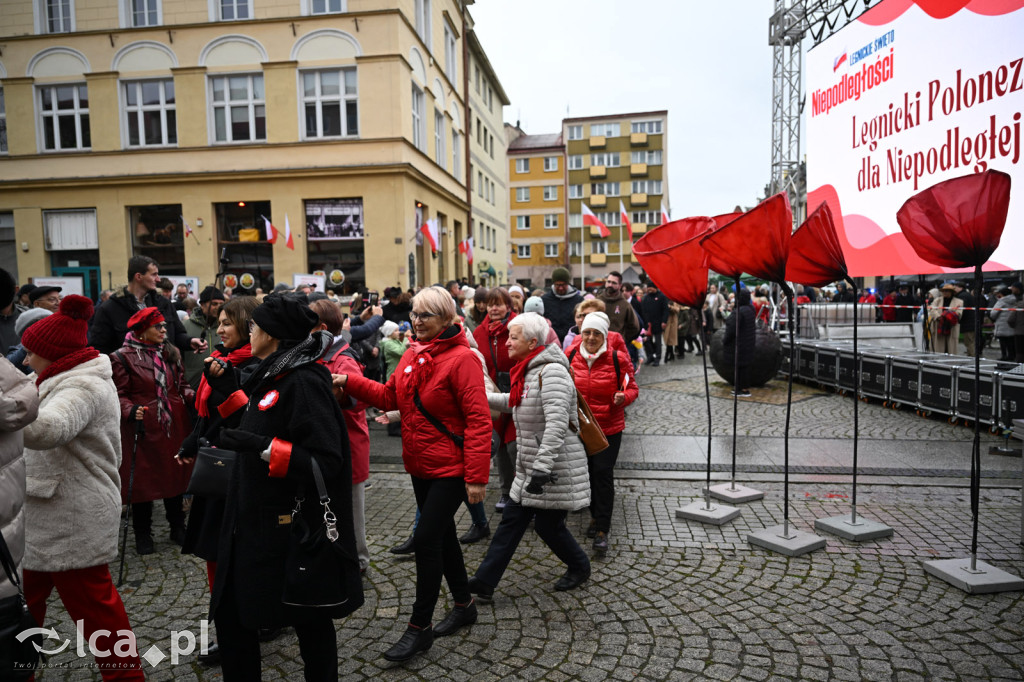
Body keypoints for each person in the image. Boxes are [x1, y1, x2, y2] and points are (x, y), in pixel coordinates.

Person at [206, 293, 362, 679]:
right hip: (253, 520)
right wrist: (225, 390)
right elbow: (259, 418)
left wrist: (262, 447)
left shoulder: (304, 380)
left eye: (254, 327)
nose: (249, 332)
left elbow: (326, 461)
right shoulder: (272, 372)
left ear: (272, 335)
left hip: (287, 528)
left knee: (309, 618)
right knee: (235, 614)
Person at [333, 286, 491, 662]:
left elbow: (479, 420)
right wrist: (349, 381)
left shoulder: (463, 359)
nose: (416, 321)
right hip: (421, 464)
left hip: (452, 467)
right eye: (414, 314)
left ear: (447, 319)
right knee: (443, 535)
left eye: (425, 315)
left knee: (426, 540)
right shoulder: (412, 352)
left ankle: (419, 628)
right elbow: (390, 397)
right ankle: (464, 605)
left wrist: (476, 477)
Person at [20, 296, 145, 679]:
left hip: (72, 519)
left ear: (52, 353)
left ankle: (126, 677)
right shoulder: (55, 377)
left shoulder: (83, 385)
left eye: (31, 352)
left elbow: (47, 429)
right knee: (20, 608)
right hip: (44, 517)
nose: (25, 360)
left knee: (97, 614)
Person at [467, 312, 592, 602]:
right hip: (531, 466)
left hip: (550, 467)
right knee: (513, 521)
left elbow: (557, 424)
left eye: (514, 337)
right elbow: (514, 402)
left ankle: (580, 565)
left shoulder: (552, 373)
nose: (507, 343)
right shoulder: (529, 369)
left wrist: (541, 468)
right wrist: (478, 394)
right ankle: (485, 582)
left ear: (533, 342)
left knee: (548, 526)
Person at [175, 295, 259, 665]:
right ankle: (235, 629)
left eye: (227, 323)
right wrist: (193, 440)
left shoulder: (252, 365)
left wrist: (224, 385)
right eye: (219, 322)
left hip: (235, 473)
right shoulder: (222, 361)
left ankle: (236, 635)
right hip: (215, 470)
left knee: (229, 558)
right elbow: (209, 415)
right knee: (216, 555)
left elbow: (244, 419)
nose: (220, 329)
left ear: (247, 325)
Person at [111, 307, 196, 555]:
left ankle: (178, 527)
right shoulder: (121, 357)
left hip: (173, 423)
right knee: (144, 482)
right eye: (157, 326)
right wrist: (130, 409)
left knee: (175, 476)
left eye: (164, 325)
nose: (163, 330)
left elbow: (180, 385)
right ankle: (143, 534)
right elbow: (119, 393)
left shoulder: (171, 352)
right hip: (143, 425)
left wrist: (195, 396)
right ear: (141, 330)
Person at [311, 299, 372, 576]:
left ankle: (358, 562)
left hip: (348, 446)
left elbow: (360, 399)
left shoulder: (343, 359)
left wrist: (338, 393)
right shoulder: (322, 352)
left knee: (352, 511)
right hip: (331, 446)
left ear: (322, 328)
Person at [568, 312, 637, 552]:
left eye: (597, 333)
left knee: (602, 473)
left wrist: (623, 397)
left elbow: (632, 388)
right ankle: (595, 516)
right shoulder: (570, 355)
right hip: (581, 427)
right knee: (586, 473)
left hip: (609, 427)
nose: (591, 337)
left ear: (604, 336)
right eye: (587, 332)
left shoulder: (618, 359)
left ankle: (602, 529)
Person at [89, 256, 203, 356]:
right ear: (138, 277)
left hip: (164, 370)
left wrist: (189, 341)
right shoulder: (109, 308)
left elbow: (177, 334)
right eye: (154, 274)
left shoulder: (164, 304)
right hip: (131, 372)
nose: (158, 279)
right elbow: (99, 349)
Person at [473, 287, 518, 511]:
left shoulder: (518, 326)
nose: (493, 308)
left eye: (498, 304)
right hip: (493, 395)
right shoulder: (480, 332)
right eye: (490, 304)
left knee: (515, 446)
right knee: (498, 445)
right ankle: (506, 492)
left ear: (508, 306)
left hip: (518, 392)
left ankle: (523, 492)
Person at [182, 286, 226, 389]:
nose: (218, 307)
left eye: (221, 304)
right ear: (202, 305)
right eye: (214, 304)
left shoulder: (225, 327)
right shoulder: (185, 326)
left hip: (219, 386)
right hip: (192, 385)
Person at [723, 288, 756, 397]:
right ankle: (743, 388)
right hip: (748, 342)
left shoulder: (739, 312)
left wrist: (725, 340)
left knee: (739, 367)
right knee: (744, 367)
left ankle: (742, 389)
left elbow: (731, 328)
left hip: (739, 344)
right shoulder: (750, 309)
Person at [598, 271, 641, 347]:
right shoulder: (597, 301)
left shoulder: (625, 304)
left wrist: (623, 339)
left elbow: (634, 327)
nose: (610, 285)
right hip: (598, 345)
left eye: (614, 283)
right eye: (608, 282)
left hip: (616, 347)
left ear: (620, 285)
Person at [541, 267, 583, 343]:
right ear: (553, 284)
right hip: (551, 342)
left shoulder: (578, 300)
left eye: (563, 285)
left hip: (573, 341)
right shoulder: (544, 300)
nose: (560, 288)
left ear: (568, 283)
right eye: (557, 285)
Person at [928, 283, 963, 354]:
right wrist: (939, 317)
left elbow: (958, 313)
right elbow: (932, 309)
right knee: (938, 349)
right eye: (943, 291)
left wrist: (947, 317)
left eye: (946, 291)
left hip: (951, 327)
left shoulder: (959, 302)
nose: (944, 292)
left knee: (951, 348)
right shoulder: (937, 300)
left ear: (951, 292)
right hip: (938, 326)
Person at [640, 283, 668, 366]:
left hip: (658, 323)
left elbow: (665, 310)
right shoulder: (646, 298)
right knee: (647, 341)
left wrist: (664, 321)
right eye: (648, 287)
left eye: (650, 287)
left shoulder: (661, 296)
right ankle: (650, 356)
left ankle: (657, 358)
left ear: (655, 288)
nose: (649, 289)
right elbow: (643, 310)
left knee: (658, 342)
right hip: (648, 324)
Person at [990, 287, 1017, 361]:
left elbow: (993, 314)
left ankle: (1004, 356)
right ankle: (1011, 356)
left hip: (1002, 326)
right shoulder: (1015, 300)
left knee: (1003, 343)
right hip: (1011, 326)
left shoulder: (1001, 301)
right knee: (1011, 342)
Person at [953, 282, 977, 356]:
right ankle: (971, 354)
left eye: (955, 287)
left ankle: (972, 355)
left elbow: (962, 309)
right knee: (970, 340)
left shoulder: (962, 296)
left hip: (968, 322)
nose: (954, 289)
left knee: (969, 341)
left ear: (961, 288)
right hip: (970, 321)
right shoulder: (966, 294)